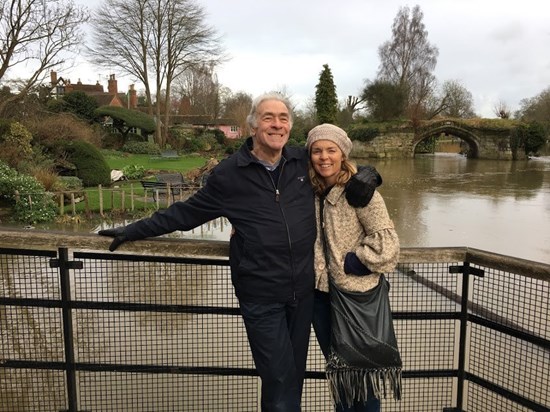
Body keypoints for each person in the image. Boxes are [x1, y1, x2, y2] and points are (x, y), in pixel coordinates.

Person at [99, 92, 317, 411]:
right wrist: (132, 229)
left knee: (294, 375)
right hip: (261, 294)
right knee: (279, 376)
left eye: (283, 118)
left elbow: (338, 168)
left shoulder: (301, 163)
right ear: (253, 126)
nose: (277, 124)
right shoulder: (231, 174)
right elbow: (184, 214)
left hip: (302, 293)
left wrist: (366, 178)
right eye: (268, 117)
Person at [305, 124, 400, 412]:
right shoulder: (307, 191)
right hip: (320, 298)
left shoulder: (361, 192)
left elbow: (388, 246)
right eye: (317, 150)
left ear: (343, 154)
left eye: (331, 150)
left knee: (365, 376)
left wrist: (353, 262)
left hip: (357, 298)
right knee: (341, 375)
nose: (324, 157)